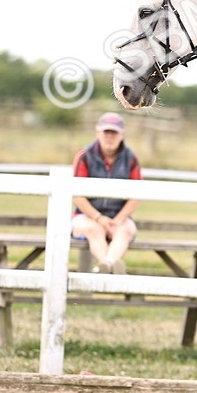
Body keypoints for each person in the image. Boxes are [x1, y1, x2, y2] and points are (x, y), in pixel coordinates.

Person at [70, 112, 142, 274]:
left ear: (122, 135)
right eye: (106, 132)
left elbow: (136, 194)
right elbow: (77, 195)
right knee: (95, 230)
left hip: (119, 216)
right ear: (98, 133)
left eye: (114, 132)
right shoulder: (85, 156)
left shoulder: (131, 159)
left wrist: (117, 220)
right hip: (86, 216)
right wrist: (99, 218)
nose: (110, 136)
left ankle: (105, 265)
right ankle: (110, 265)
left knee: (126, 230)